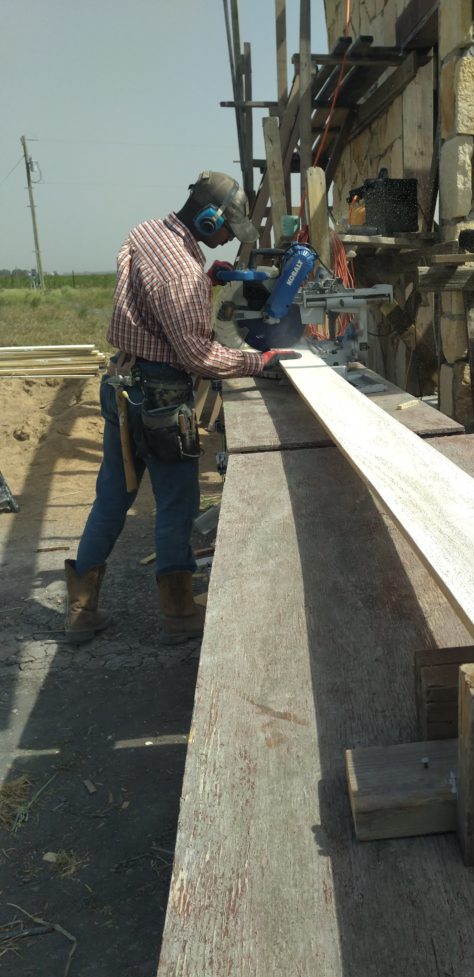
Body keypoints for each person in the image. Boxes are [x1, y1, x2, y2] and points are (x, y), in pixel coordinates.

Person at [64, 171, 297, 645]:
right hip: (162, 397)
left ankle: (81, 610)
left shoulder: (147, 232)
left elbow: (154, 299)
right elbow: (198, 357)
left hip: (121, 382)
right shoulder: (183, 274)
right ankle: (179, 614)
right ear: (210, 219)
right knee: (176, 501)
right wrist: (261, 361)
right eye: (227, 230)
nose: (228, 238)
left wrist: (206, 281)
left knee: (114, 493)